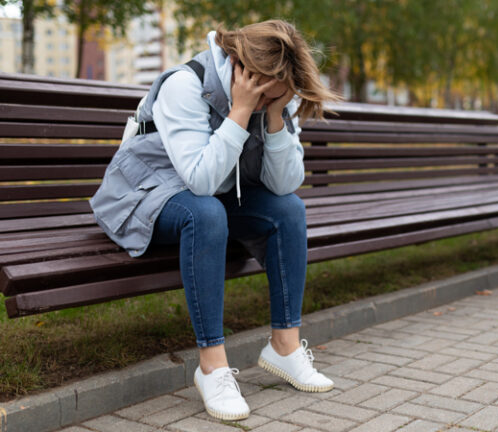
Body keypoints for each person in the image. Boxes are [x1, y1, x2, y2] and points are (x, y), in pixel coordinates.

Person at [89, 20, 340, 421]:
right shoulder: (184, 86)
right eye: (264, 98)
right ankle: (212, 367)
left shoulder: (272, 92)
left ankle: (285, 347)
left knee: (288, 210)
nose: (264, 105)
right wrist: (241, 110)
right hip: (143, 197)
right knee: (205, 213)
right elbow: (201, 181)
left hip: (213, 195)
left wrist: (275, 117)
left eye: (272, 100)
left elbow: (286, 183)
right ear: (243, 69)